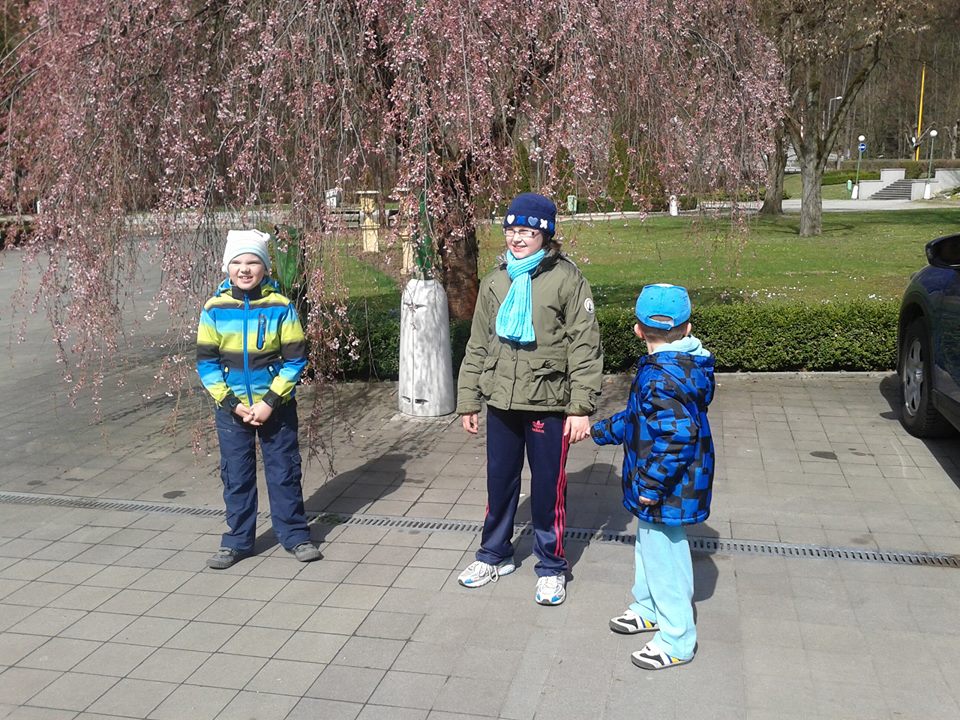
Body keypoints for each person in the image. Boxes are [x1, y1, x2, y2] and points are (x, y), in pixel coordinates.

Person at [456, 192, 603, 605]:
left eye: (526, 231)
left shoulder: (567, 279)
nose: (517, 238)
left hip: (548, 402)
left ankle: (551, 565)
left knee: (546, 489)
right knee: (499, 481)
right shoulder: (495, 281)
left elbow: (585, 346)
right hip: (501, 401)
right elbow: (478, 344)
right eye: (511, 230)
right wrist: (468, 398)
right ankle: (494, 553)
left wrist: (580, 408)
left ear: (545, 235)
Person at [591, 283, 715, 669]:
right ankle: (648, 607)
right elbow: (641, 418)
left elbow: (677, 436)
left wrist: (651, 485)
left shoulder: (662, 375)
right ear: (688, 328)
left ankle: (677, 639)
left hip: (668, 486)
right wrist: (600, 431)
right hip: (671, 481)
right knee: (649, 544)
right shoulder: (677, 366)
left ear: (637, 330)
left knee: (665, 558)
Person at [196, 229, 321, 570]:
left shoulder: (280, 306)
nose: (245, 269)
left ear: (265, 267)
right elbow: (207, 364)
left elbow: (296, 359)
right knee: (236, 476)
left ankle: (295, 535)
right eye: (237, 262)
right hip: (232, 410)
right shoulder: (214, 309)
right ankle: (237, 540)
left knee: (284, 472)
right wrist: (232, 403)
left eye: (253, 262)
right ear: (227, 267)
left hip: (276, 409)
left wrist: (269, 401)